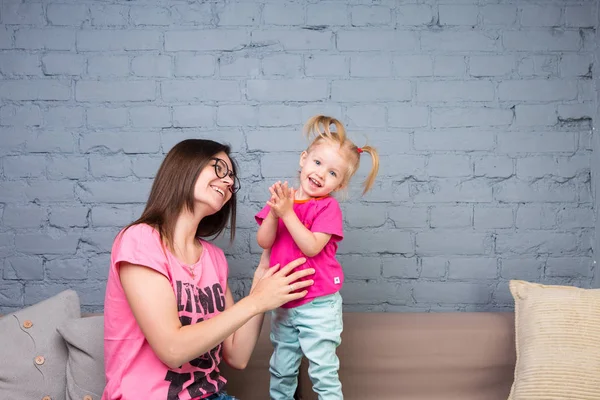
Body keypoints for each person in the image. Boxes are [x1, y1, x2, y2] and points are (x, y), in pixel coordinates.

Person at [102, 139, 315, 400]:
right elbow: (172, 349)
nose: (228, 183)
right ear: (184, 167)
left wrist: (260, 283)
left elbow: (237, 356)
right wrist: (256, 301)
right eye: (219, 169)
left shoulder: (214, 259)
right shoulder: (140, 240)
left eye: (232, 179)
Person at [255, 116, 380, 399]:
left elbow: (311, 246)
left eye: (333, 173)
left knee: (322, 371)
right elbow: (264, 241)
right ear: (303, 159)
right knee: (282, 368)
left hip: (319, 304)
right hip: (284, 301)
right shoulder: (283, 199)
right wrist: (276, 213)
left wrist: (287, 213)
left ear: (338, 185)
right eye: (318, 163)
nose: (321, 174)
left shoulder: (328, 208)